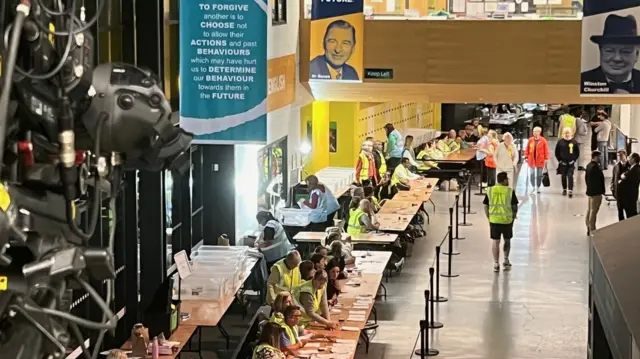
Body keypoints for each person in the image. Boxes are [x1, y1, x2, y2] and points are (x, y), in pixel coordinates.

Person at [581, 14, 640, 94]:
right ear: (600, 51)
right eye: (609, 50)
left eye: (625, 51)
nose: (617, 58)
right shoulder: (580, 82)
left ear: (637, 54)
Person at [483, 172, 518, 273]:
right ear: (504, 180)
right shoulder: (509, 191)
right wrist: (513, 217)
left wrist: (489, 217)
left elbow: (485, 205)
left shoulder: (490, 190)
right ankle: (506, 260)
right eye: (507, 179)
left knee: (495, 242)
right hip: (507, 221)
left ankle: (496, 263)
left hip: (494, 220)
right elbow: (514, 206)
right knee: (507, 240)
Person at [555, 127, 580, 198]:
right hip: (563, 163)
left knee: (570, 176)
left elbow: (577, 153)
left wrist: (573, 160)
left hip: (571, 163)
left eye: (568, 133)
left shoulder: (574, 142)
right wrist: (560, 161)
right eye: (565, 133)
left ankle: (570, 190)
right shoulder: (560, 142)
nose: (567, 134)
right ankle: (564, 189)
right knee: (563, 176)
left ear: (570, 133)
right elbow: (557, 152)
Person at [524, 126, 550, 194]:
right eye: (533, 131)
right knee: (532, 174)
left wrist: (546, 158)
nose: (534, 133)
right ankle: (532, 186)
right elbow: (527, 148)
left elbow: (546, 150)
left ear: (539, 132)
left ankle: (538, 187)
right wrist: (526, 156)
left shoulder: (543, 140)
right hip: (531, 160)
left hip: (540, 160)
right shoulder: (530, 140)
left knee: (539, 175)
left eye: (536, 131)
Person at [585, 150, 606, 235]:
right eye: (599, 157)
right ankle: (592, 229)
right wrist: (601, 191)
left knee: (589, 210)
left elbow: (586, 179)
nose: (600, 158)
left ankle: (588, 226)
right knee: (594, 211)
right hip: (596, 193)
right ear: (595, 157)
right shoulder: (596, 168)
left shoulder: (588, 166)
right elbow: (599, 180)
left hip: (590, 192)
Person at [616, 152, 640, 218]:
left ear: (634, 159)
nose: (628, 159)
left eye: (630, 157)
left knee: (630, 216)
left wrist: (621, 181)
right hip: (630, 197)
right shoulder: (633, 168)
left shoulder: (635, 169)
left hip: (630, 198)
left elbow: (626, 181)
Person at [612, 150, 631, 220]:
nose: (619, 157)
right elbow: (614, 178)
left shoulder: (630, 166)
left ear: (625, 155)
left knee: (629, 213)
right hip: (619, 194)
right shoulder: (616, 166)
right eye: (618, 156)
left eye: (621, 155)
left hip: (627, 194)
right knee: (620, 213)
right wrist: (613, 190)